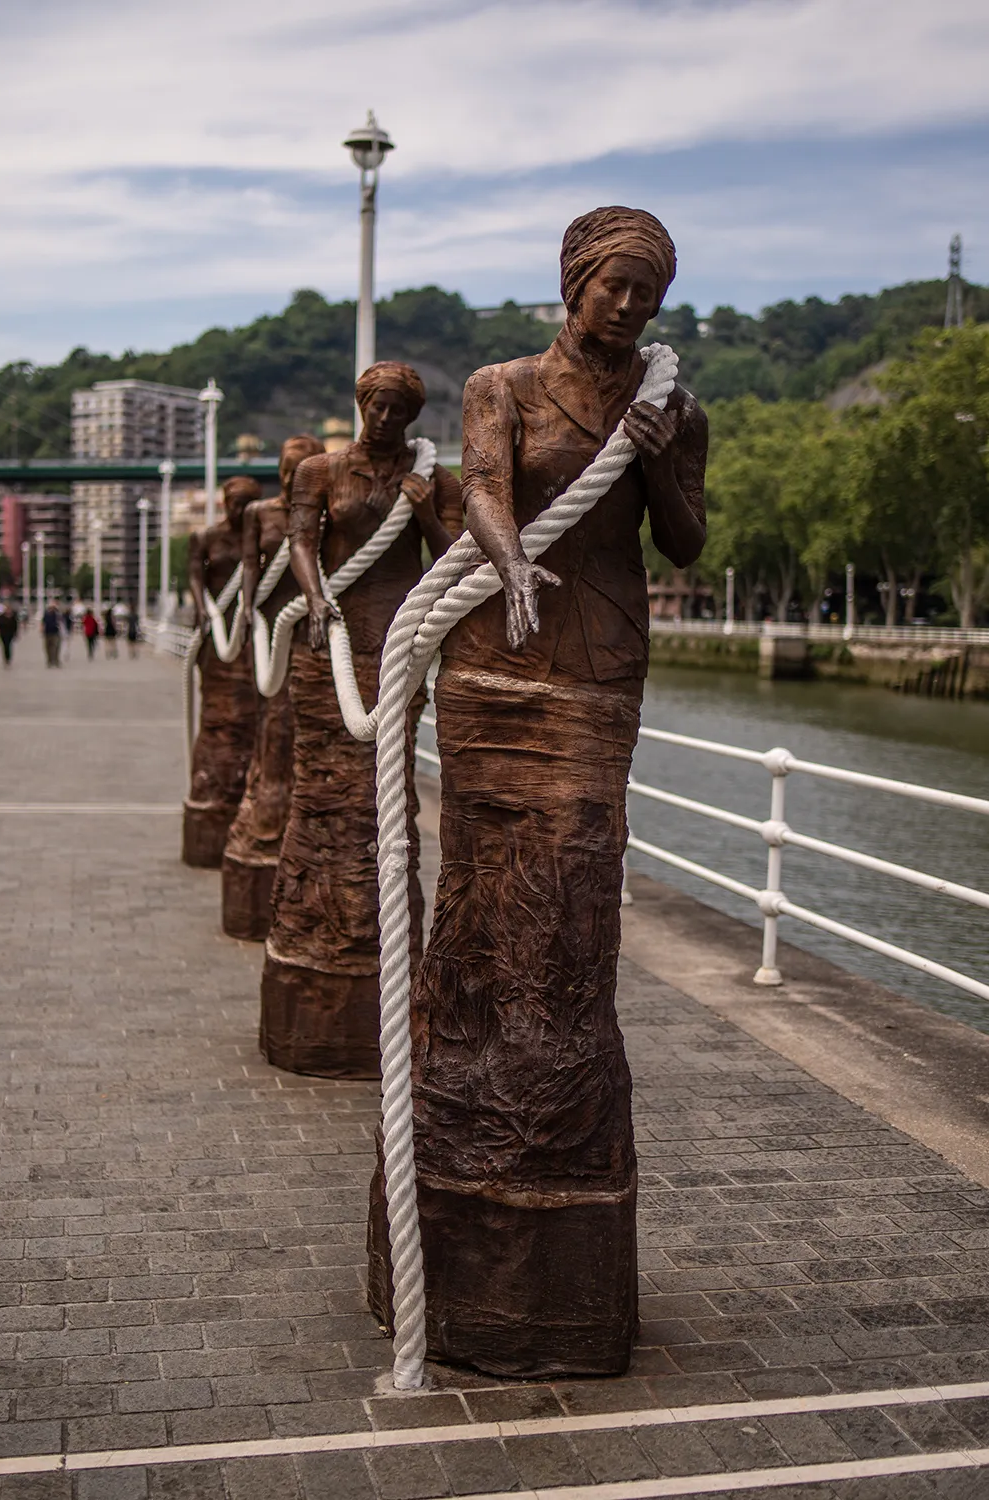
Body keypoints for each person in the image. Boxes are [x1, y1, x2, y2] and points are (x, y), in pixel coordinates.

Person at [367, 207, 708, 1377]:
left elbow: (687, 542)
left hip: (596, 663)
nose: (626, 307)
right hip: (494, 661)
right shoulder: (502, 383)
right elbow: (483, 491)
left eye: (645, 293)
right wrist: (507, 561)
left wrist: (661, 457)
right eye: (612, 285)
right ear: (573, 279)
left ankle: (551, 1131)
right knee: (476, 893)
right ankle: (465, 1105)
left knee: (571, 889)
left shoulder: (667, 407)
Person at [260, 363, 463, 1076]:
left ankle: (386, 938)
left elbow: (455, 560)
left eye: (395, 408)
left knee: (388, 784)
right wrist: (315, 599)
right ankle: (320, 924)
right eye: (374, 404)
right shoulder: (321, 470)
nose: (382, 417)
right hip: (335, 639)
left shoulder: (431, 475)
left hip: (400, 640)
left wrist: (428, 511)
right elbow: (302, 541)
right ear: (359, 405)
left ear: (410, 416)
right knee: (326, 784)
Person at [221, 434, 324, 940]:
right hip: (270, 627)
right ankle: (266, 808)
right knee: (274, 718)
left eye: (300, 469)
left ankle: (293, 817)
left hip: (310, 627)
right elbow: (248, 565)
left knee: (302, 721)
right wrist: (244, 608)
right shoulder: (260, 514)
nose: (291, 479)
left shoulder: (320, 508)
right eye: (285, 469)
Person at [183, 477, 261, 867]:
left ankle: (243, 785)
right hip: (217, 627)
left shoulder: (258, 536)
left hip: (246, 630)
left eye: (248, 503)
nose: (240, 509)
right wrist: (201, 606)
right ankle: (210, 785)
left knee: (251, 704)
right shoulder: (207, 537)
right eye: (235, 502)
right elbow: (195, 574)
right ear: (224, 502)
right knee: (216, 710)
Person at [42, 602, 62, 667]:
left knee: (56, 647)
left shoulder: (57, 615)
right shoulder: (46, 615)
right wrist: (41, 630)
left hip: (55, 633)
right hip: (47, 633)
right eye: (51, 607)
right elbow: (43, 623)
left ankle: (56, 660)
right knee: (47, 647)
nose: (52, 609)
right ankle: (49, 660)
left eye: (53, 607)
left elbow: (61, 623)